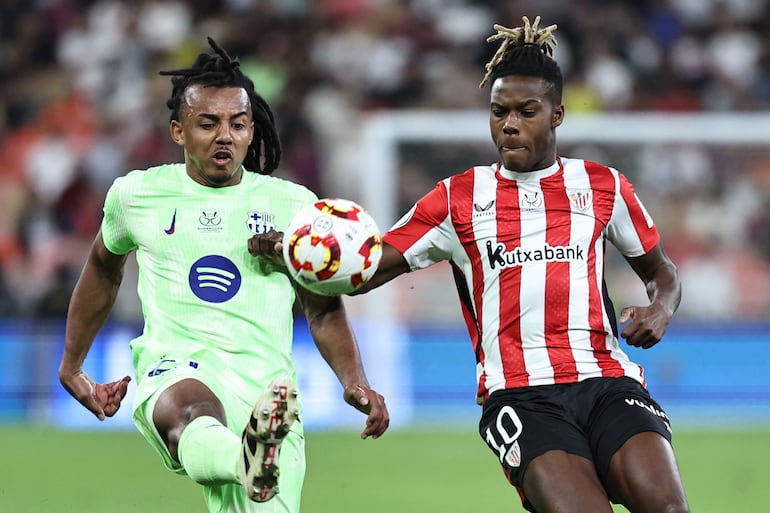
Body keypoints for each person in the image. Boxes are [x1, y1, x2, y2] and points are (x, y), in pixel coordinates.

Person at [250, 15, 689, 513]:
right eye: (499, 111)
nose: (510, 124)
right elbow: (365, 272)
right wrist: (298, 249)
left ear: (558, 115)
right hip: (523, 398)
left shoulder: (602, 185)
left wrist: (661, 309)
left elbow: (662, 274)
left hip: (609, 379)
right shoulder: (458, 198)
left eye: (527, 111)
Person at [59, 37, 389, 513]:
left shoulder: (293, 207)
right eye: (207, 124)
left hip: (267, 393)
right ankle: (245, 458)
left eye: (237, 124)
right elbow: (102, 268)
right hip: (176, 366)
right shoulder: (136, 196)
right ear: (178, 131)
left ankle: (255, 453)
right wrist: (73, 365)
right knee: (189, 414)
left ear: (252, 130)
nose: (224, 137)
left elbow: (322, 311)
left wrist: (355, 381)